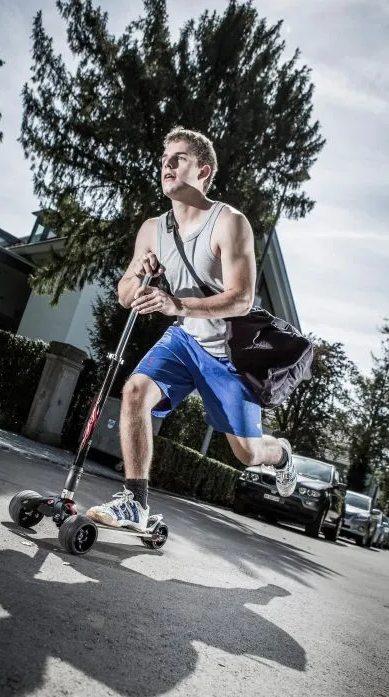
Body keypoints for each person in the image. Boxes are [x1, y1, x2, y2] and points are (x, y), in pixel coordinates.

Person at [86, 127, 297, 531]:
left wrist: (176, 303)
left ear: (203, 171)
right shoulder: (152, 229)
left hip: (231, 355)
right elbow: (125, 291)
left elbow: (242, 298)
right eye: (164, 159)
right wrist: (139, 280)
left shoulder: (229, 222)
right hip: (185, 338)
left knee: (248, 454)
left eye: (178, 159)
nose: (166, 165)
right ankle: (135, 503)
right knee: (134, 391)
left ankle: (281, 454)